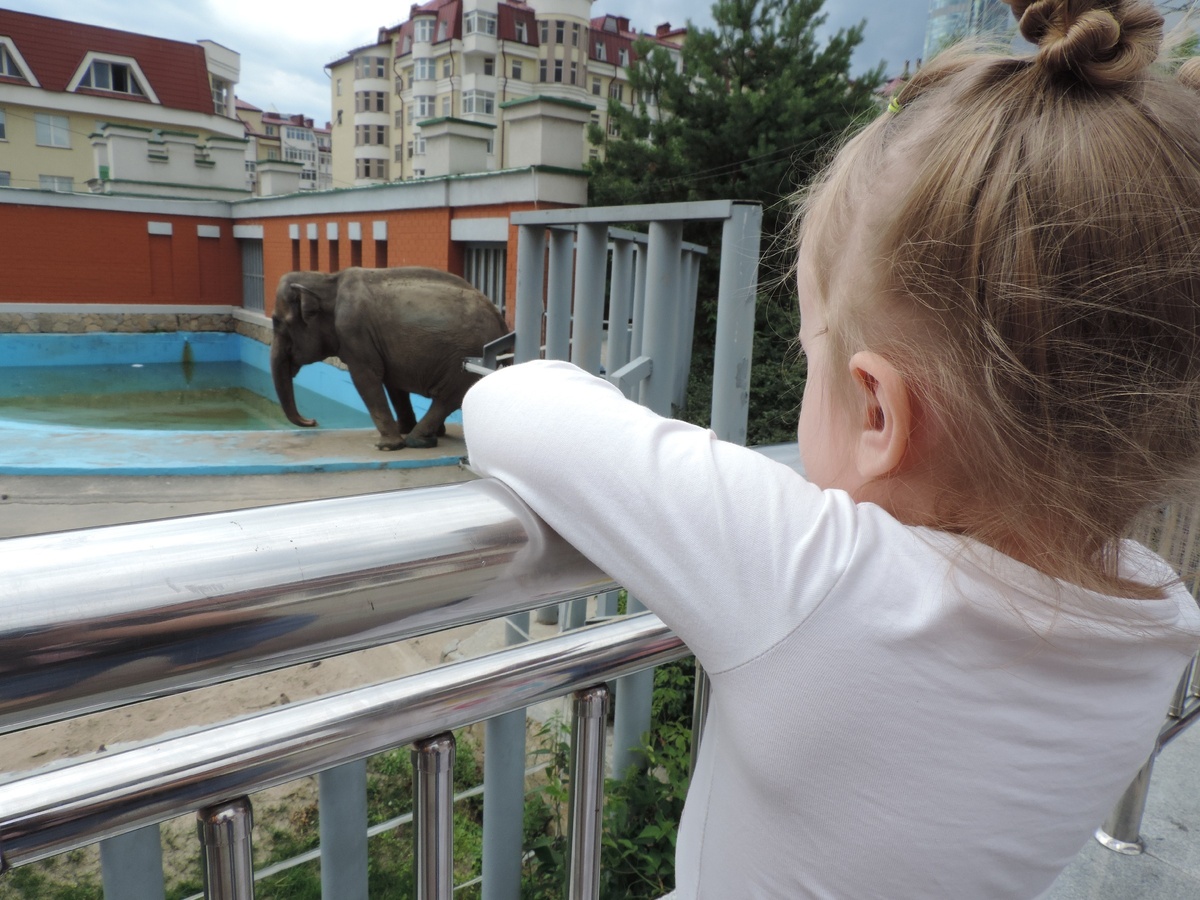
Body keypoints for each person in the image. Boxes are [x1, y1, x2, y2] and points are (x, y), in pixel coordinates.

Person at [462, 0, 1200, 896]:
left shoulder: (825, 581)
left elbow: (512, 403)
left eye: (810, 355)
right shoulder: (1163, 618)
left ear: (877, 412)